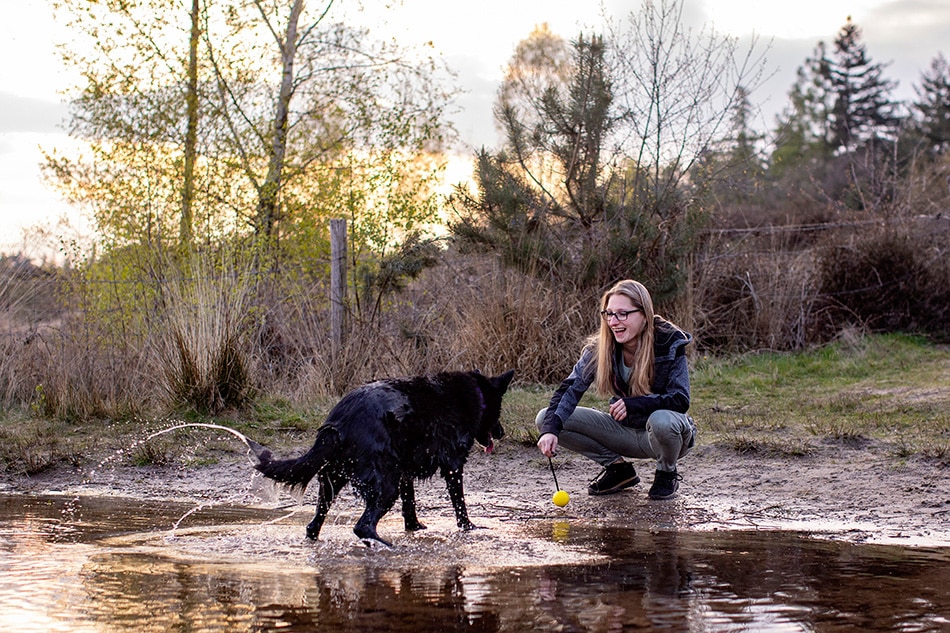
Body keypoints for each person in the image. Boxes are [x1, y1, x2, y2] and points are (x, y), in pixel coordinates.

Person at [536, 279, 696, 500]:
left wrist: (636, 404)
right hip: (625, 432)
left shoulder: (669, 341)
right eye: (609, 314)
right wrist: (550, 430)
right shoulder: (599, 348)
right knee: (546, 418)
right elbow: (569, 390)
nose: (614, 321)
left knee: (662, 420)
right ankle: (618, 470)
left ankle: (666, 473)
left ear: (644, 314)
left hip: (666, 437)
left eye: (623, 314)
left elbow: (680, 399)